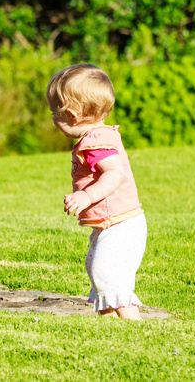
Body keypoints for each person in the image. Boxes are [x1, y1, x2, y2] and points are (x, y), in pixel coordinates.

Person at [46, 64, 146, 320]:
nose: (52, 118)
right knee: (97, 270)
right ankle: (109, 322)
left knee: (107, 273)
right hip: (112, 224)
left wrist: (86, 196)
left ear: (71, 114)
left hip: (121, 224)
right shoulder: (97, 136)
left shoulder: (95, 141)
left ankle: (134, 327)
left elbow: (115, 173)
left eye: (53, 113)